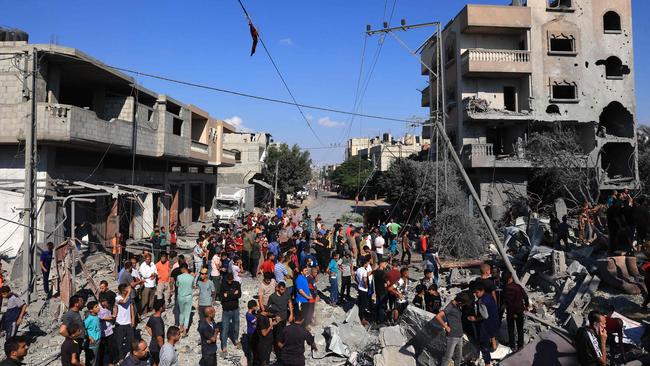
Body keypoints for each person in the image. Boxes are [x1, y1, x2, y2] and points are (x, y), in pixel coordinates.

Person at [468, 282, 499, 366]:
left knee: (484, 346)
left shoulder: (482, 301)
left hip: (485, 326)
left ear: (482, 291)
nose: (476, 294)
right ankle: (493, 346)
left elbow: (485, 316)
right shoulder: (489, 296)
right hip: (494, 322)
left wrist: (474, 319)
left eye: (477, 292)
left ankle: (487, 363)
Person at [435, 294, 467, 366]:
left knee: (458, 357)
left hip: (459, 335)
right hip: (452, 336)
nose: (463, 305)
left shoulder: (457, 306)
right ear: (460, 302)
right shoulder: (450, 307)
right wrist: (446, 327)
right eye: (463, 304)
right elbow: (438, 316)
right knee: (448, 357)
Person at [502, 272, 529, 351]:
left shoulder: (504, 289)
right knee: (520, 329)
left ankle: (512, 346)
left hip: (510, 312)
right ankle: (520, 345)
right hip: (519, 311)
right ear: (510, 278)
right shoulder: (518, 287)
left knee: (511, 329)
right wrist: (526, 305)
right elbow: (525, 297)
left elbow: (504, 301)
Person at [220, 273, 242, 354]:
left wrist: (228, 294)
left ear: (233, 279)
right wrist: (233, 294)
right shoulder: (223, 285)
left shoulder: (236, 284)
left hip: (235, 309)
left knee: (236, 326)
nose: (229, 282)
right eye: (228, 280)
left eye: (231, 280)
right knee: (225, 329)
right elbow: (222, 297)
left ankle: (236, 340)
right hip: (226, 310)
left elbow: (239, 295)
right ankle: (224, 346)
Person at [114, 283, 136, 360]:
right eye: (125, 290)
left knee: (131, 340)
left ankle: (131, 355)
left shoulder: (128, 298)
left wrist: (133, 319)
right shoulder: (117, 298)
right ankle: (120, 358)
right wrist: (129, 292)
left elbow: (131, 308)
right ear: (122, 291)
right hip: (120, 323)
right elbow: (123, 302)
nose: (127, 291)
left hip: (128, 323)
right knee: (119, 342)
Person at [175, 263, 194, 337]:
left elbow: (177, 285)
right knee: (187, 314)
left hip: (181, 296)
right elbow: (192, 286)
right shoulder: (191, 277)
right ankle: (185, 331)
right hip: (188, 296)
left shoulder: (179, 277)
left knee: (181, 313)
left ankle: (181, 327)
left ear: (183, 269)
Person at [145, 299, 165, 366]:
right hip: (157, 349)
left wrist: (153, 335)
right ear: (160, 308)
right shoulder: (158, 322)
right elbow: (159, 338)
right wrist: (164, 350)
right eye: (164, 305)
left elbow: (147, 327)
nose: (165, 306)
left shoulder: (152, 317)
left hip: (152, 347)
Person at [98, 296, 116, 366]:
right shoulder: (97, 308)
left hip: (109, 330)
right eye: (107, 303)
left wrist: (112, 317)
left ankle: (111, 362)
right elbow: (97, 318)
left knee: (111, 347)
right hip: (102, 332)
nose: (108, 305)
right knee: (101, 349)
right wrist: (105, 319)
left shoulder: (108, 306)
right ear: (102, 302)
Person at [84, 301, 102, 366]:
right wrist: (89, 337)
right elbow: (83, 328)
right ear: (91, 310)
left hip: (97, 340)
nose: (98, 308)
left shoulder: (96, 316)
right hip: (92, 341)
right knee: (91, 359)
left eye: (98, 306)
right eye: (96, 307)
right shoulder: (89, 319)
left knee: (95, 357)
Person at [354, 257, 370, 326]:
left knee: (360, 303)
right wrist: (366, 286)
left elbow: (355, 277)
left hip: (359, 288)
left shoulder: (358, 269)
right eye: (367, 263)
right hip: (364, 289)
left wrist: (358, 283)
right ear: (365, 263)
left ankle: (360, 316)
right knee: (363, 304)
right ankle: (362, 318)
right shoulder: (364, 271)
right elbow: (364, 280)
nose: (368, 264)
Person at [244, 300, 258, 366]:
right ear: (253, 307)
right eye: (255, 306)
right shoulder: (249, 315)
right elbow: (253, 321)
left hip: (252, 332)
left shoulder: (251, 314)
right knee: (251, 349)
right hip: (251, 333)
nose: (256, 307)